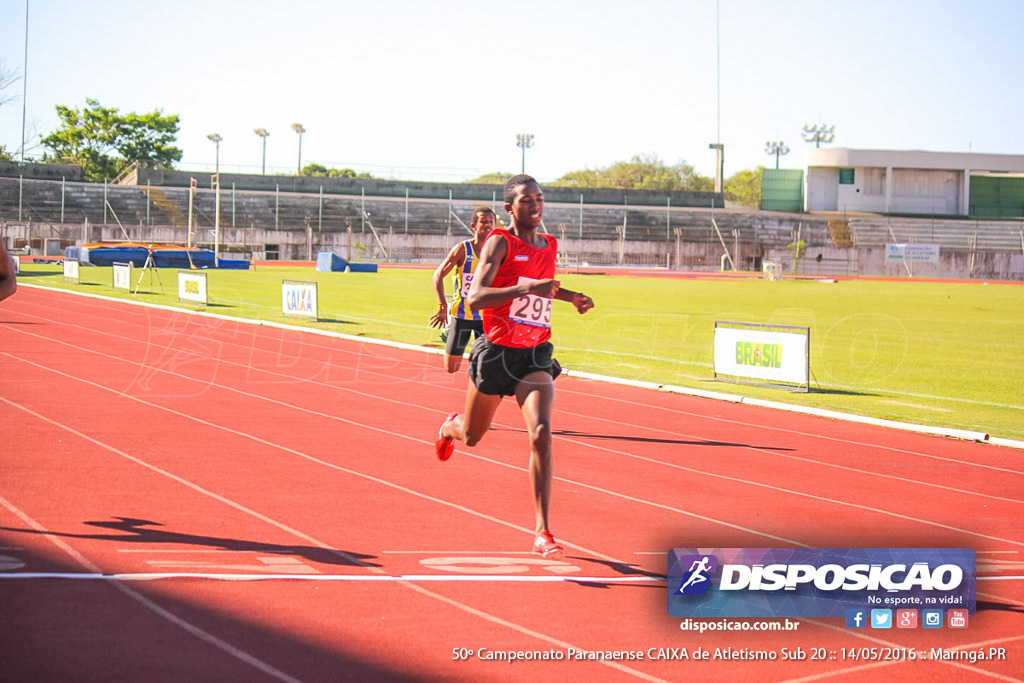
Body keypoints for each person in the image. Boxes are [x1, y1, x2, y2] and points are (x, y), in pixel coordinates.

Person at [434, 175, 594, 560]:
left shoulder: (550, 243)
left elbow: (545, 289)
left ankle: (543, 531)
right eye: (526, 200)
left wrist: (572, 297)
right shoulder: (499, 242)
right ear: (510, 208)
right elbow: (476, 297)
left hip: (535, 354)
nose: (535, 205)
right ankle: (449, 426)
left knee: (541, 433)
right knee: (472, 436)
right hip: (496, 353)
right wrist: (526, 289)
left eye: (540, 198)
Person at [429, 207, 496, 373]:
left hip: (487, 317)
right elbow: (438, 276)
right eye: (483, 221)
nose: (487, 224)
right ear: (474, 225)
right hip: (461, 315)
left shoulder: (498, 251)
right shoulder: (463, 249)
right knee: (451, 367)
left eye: (491, 221)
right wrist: (442, 305)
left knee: (487, 365)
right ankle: (450, 330)